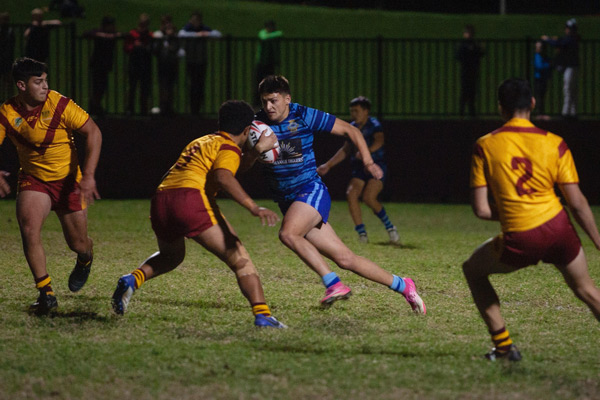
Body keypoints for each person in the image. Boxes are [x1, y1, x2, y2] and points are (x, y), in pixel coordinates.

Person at [252, 75, 425, 313]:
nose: (269, 107)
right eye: (264, 102)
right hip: (288, 201)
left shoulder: (303, 114)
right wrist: (257, 150)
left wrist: (367, 160)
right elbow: (244, 164)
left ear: (287, 99)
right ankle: (403, 285)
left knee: (289, 234)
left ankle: (333, 284)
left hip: (310, 191)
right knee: (345, 258)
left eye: (273, 100)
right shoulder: (257, 125)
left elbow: (351, 132)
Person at [111, 100, 286, 328]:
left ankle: (132, 279)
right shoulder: (229, 148)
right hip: (191, 199)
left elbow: (224, 169)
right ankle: (263, 315)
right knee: (241, 261)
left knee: (172, 256)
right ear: (247, 130)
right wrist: (253, 207)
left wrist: (253, 153)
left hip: (162, 199)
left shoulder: (203, 141)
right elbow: (224, 176)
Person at [463, 78, 600, 362]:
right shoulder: (555, 143)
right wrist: (598, 240)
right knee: (587, 291)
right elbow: (576, 202)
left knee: (473, 271)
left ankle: (504, 348)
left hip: (522, 236)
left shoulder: (485, 145)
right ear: (533, 104)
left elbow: (481, 210)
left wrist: (516, 209)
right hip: (560, 228)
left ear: (501, 108)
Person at [0, 57, 102, 315]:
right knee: (29, 228)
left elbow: (94, 133)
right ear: (22, 86)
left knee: (78, 243)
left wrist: (88, 176)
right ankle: (46, 293)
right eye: (38, 82)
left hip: (68, 182)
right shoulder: (8, 113)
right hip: (34, 180)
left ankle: (85, 258)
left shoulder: (59, 103)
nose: (45, 86)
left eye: (46, 80)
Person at [317, 96, 399, 244]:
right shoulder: (352, 127)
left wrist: (366, 152)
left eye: (356, 111)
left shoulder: (374, 124)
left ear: (366, 111)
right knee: (351, 194)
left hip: (376, 167)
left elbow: (379, 140)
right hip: (359, 169)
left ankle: (390, 228)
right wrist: (327, 165)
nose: (353, 114)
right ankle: (362, 234)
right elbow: (345, 150)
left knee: (369, 198)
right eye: (351, 111)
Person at [178, 11, 222, 115]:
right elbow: (181, 34)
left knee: (200, 85)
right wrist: (197, 35)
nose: (196, 22)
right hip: (191, 61)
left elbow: (217, 34)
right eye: (194, 20)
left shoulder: (204, 28)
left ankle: (198, 108)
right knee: (193, 85)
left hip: (201, 61)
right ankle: (193, 109)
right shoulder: (188, 28)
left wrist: (206, 34)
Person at [83, 16, 121, 117]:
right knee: (97, 86)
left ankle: (96, 105)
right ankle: (95, 106)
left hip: (105, 65)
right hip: (97, 64)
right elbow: (87, 33)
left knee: (102, 87)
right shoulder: (99, 33)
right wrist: (102, 35)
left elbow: (122, 34)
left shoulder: (112, 34)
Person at [542, 18, 580, 119]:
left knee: (568, 89)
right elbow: (561, 42)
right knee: (572, 90)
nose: (567, 30)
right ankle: (572, 112)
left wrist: (548, 39)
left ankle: (566, 113)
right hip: (572, 67)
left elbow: (560, 43)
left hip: (571, 67)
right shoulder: (572, 38)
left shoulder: (571, 39)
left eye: (568, 28)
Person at [153, 15, 183, 117]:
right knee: (163, 87)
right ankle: (163, 107)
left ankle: (169, 107)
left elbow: (175, 49)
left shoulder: (174, 39)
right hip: (163, 66)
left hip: (171, 66)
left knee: (170, 88)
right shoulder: (161, 39)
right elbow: (156, 50)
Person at [124, 13, 153, 116]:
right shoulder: (132, 34)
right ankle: (130, 109)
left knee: (144, 88)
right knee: (132, 87)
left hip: (145, 65)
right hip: (134, 64)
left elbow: (152, 49)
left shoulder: (149, 35)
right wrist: (134, 46)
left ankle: (144, 110)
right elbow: (126, 48)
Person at [456, 24, 484, 117]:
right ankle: (463, 112)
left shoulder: (472, 44)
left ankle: (470, 112)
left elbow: (480, 53)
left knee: (471, 92)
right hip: (467, 71)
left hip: (471, 71)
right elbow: (459, 55)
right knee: (465, 92)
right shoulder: (465, 45)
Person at [254, 20, 282, 107]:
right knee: (259, 83)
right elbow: (264, 37)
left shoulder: (271, 36)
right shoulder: (263, 33)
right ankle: (257, 102)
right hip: (261, 63)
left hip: (270, 63)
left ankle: (268, 101)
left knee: (270, 84)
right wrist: (278, 33)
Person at [533, 40, 552, 119]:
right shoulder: (538, 56)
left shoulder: (543, 57)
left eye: (539, 47)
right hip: (539, 79)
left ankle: (540, 112)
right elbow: (539, 66)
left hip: (542, 79)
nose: (538, 49)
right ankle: (539, 113)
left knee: (542, 96)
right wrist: (548, 65)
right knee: (539, 96)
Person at [0, 12, 15, 102]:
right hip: (4, 59)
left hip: (7, 59)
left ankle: (9, 99)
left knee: (8, 80)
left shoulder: (9, 31)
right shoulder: (8, 31)